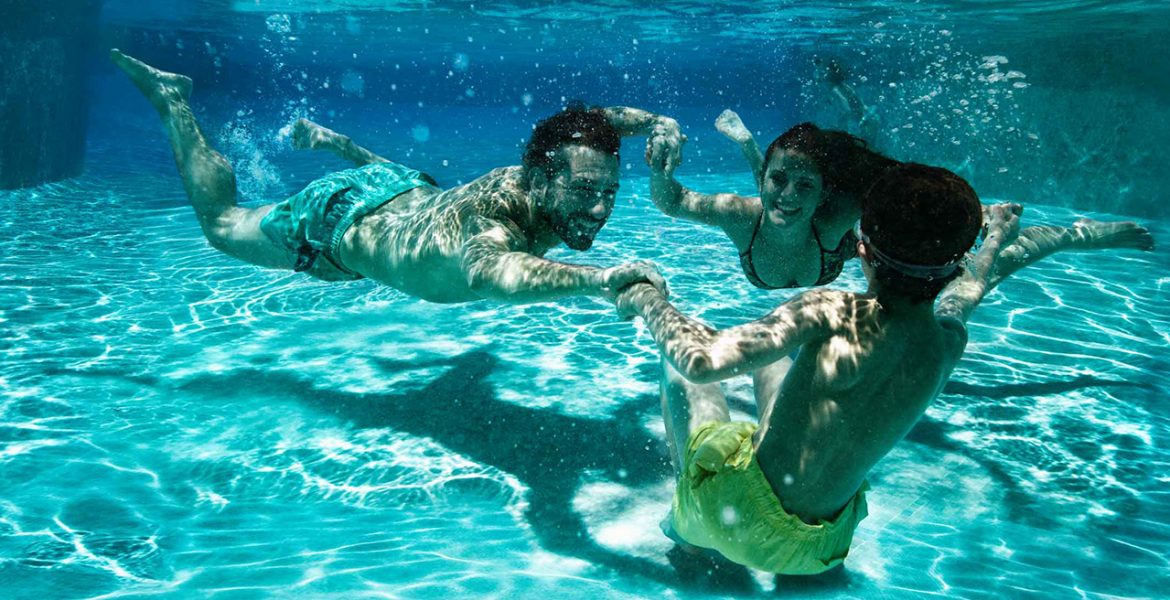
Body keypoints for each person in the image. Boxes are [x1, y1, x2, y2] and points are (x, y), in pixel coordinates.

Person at [615, 163, 1023, 575]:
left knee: (679, 368)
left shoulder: (834, 311)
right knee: (774, 359)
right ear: (956, 265)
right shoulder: (948, 341)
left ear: (862, 251)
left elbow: (701, 361)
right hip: (819, 550)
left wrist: (648, 301)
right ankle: (719, 533)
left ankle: (686, 535)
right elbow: (971, 287)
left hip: (728, 517)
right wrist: (998, 236)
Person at [111, 49, 684, 304]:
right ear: (536, 178)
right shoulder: (494, 222)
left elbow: (578, 125)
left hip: (411, 193)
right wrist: (600, 279)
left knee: (403, 199)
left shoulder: (551, 156)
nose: (598, 210)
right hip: (339, 219)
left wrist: (658, 121)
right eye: (585, 191)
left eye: (609, 192)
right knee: (221, 223)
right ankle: (172, 101)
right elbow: (490, 275)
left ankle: (334, 142)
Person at [647, 119, 1153, 291]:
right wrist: (658, 167)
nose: (789, 196)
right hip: (808, 245)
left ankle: (1079, 236)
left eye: (807, 186)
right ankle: (750, 147)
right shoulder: (744, 215)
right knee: (773, 197)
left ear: (826, 193)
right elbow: (673, 203)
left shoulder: (835, 215)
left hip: (836, 252)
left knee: (973, 271)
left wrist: (978, 221)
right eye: (779, 180)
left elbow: (914, 196)